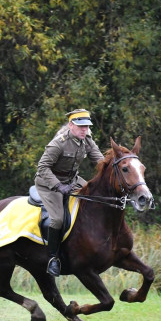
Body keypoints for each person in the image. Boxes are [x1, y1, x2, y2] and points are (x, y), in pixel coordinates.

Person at [34, 109, 104, 276]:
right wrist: (58, 186)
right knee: (57, 219)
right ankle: (53, 259)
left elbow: (101, 162)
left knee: (95, 199)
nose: (84, 130)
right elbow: (42, 167)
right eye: (81, 126)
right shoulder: (59, 143)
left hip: (72, 180)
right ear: (71, 125)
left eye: (87, 126)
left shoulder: (87, 140)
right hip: (48, 184)